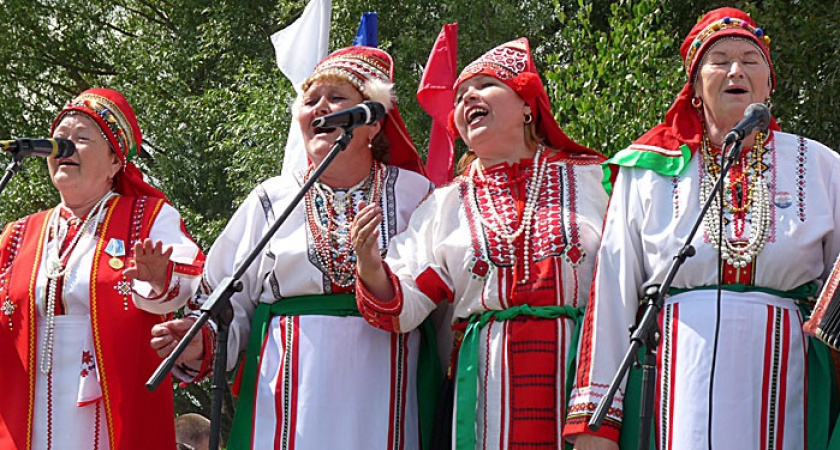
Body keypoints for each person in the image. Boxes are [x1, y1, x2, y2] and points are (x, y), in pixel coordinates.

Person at [565, 7, 840, 450]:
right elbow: (612, 294)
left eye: (751, 61)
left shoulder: (822, 165)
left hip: (790, 379)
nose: (736, 70)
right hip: (680, 380)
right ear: (694, 86)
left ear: (769, 85)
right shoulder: (648, 169)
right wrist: (595, 424)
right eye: (720, 60)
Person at [151, 46, 437, 449]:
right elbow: (228, 303)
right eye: (310, 100)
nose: (321, 107)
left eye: (337, 98)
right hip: (286, 396)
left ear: (372, 121)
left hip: (386, 386)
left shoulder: (417, 195)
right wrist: (202, 340)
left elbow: (439, 300)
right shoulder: (272, 198)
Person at [351, 38, 608, 449]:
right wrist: (369, 266)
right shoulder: (447, 204)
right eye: (459, 96)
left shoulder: (597, 179)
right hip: (486, 388)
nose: (468, 96)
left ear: (528, 105)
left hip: (578, 380)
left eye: (487, 85)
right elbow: (406, 301)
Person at [0, 88, 204, 449]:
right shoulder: (19, 233)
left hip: (110, 408)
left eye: (81, 139)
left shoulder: (147, 217)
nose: (64, 147)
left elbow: (191, 277)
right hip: (28, 404)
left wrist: (160, 277)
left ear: (114, 162)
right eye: (59, 139)